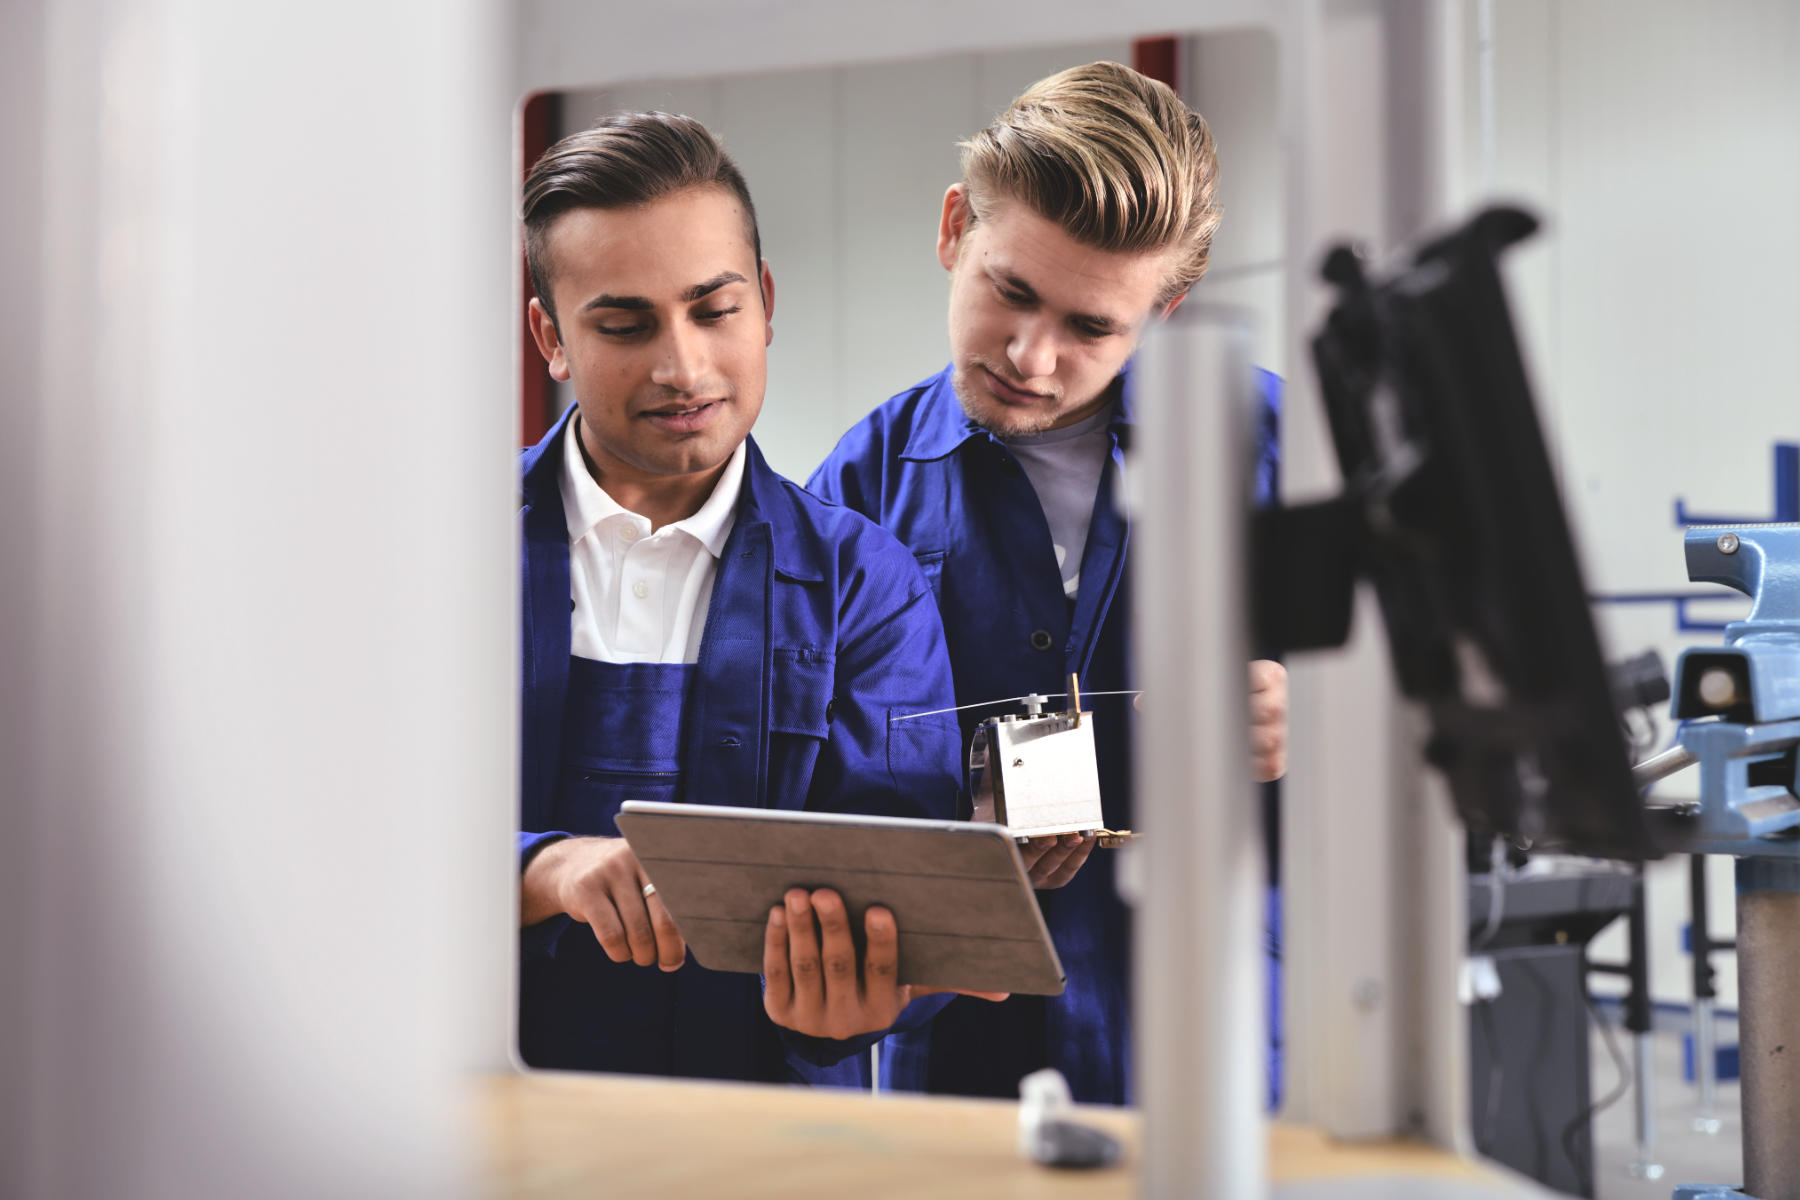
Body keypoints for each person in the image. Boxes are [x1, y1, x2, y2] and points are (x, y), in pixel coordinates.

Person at [809, 61, 1289, 1105]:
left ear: (1165, 313)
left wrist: (1329, 727)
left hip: (1221, 1053)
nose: (1032, 356)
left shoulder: (1284, 450)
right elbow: (802, 786)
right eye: (1010, 292)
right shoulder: (855, 487)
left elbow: (1449, 735)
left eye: (1091, 328)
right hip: (965, 1063)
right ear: (953, 230)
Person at [514, 112, 976, 1085]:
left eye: (712, 310)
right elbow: (337, 843)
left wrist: (864, 993)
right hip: (487, 1123)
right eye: (624, 323)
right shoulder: (432, 563)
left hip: (769, 1135)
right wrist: (539, 868)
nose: (682, 366)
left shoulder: (867, 584)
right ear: (551, 337)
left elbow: (911, 873)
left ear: (764, 303)